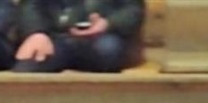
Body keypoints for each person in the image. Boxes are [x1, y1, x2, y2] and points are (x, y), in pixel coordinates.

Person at [12, 0, 144, 73]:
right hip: (57, 36)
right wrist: (37, 32)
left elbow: (133, 11)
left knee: (109, 50)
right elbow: (30, 5)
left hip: (104, 38)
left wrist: (108, 23)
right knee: (33, 59)